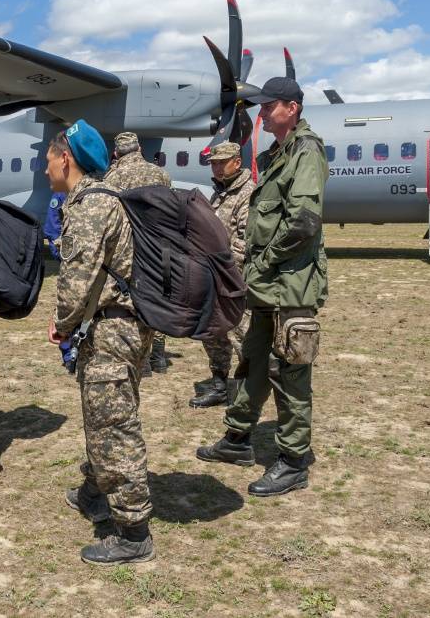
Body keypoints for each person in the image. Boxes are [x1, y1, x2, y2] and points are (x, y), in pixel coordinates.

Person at [196, 77, 328, 497]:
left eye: (268, 106)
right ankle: (237, 439)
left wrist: (261, 265)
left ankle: (292, 461)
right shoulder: (276, 154)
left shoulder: (306, 151)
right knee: (251, 363)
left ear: (291, 107)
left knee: (290, 374)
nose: (261, 114)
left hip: (290, 286)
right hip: (268, 287)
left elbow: (304, 223)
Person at [48, 120, 155, 565]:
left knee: (114, 426)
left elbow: (77, 280)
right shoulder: (100, 199)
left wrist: (62, 325)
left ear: (66, 159)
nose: (46, 166)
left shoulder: (91, 206)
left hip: (112, 329)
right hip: (117, 325)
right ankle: (95, 492)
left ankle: (134, 533)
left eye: (49, 158)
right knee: (103, 418)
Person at [189, 141, 254, 408]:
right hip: (214, 278)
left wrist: (223, 268)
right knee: (213, 334)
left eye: (221, 162)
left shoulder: (246, 193)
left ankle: (248, 391)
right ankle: (219, 385)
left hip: (234, 281)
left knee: (242, 336)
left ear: (236, 162)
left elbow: (245, 240)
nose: (215, 168)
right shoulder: (221, 192)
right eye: (213, 163)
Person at [100, 132, 172, 373]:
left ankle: (142, 361)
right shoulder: (161, 174)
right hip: (160, 245)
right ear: (139, 148)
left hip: (131, 247)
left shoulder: (113, 176)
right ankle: (159, 358)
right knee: (158, 297)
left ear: (116, 153)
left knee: (134, 302)